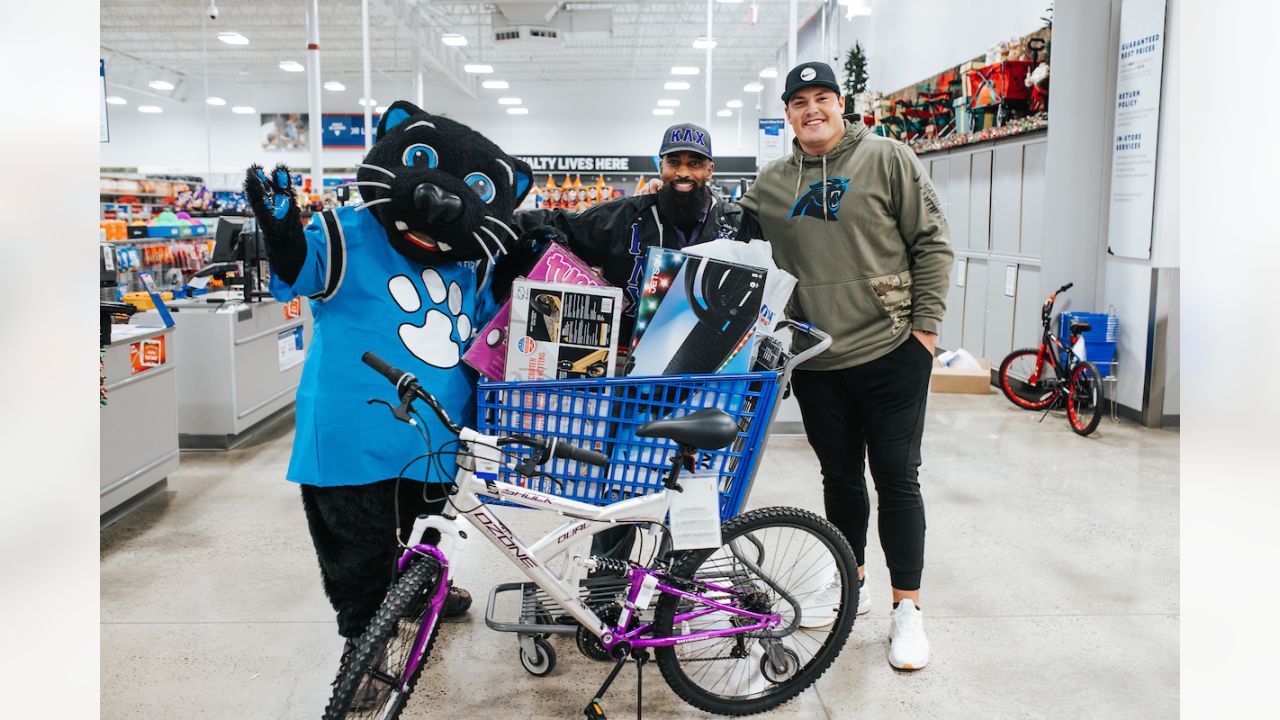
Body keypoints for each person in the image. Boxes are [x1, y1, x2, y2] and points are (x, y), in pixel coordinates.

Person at [737, 61, 954, 671]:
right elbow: (731, 239)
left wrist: (926, 332)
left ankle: (907, 609)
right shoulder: (773, 181)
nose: (812, 109)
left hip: (892, 351)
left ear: (841, 104)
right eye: (799, 101)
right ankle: (848, 583)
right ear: (787, 113)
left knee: (896, 476)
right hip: (817, 360)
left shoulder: (888, 158)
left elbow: (933, 242)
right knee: (839, 477)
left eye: (823, 98)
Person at [508, 122, 758, 564]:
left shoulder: (736, 223)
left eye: (694, 164)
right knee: (621, 474)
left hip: (709, 373)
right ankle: (609, 578)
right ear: (660, 166)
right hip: (632, 375)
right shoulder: (627, 217)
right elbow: (557, 224)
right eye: (674, 162)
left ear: (710, 169)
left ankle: (679, 581)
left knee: (693, 477)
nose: (684, 172)